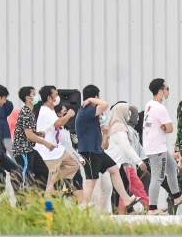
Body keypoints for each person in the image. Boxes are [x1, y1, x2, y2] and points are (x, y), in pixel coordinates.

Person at [75, 84, 141, 211]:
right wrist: (90, 100)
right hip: (89, 151)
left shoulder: (90, 113)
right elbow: (105, 104)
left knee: (114, 169)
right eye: (97, 97)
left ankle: (127, 199)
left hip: (97, 150)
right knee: (91, 180)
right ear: (95, 97)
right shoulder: (86, 111)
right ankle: (82, 209)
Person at [143, 79, 182, 214]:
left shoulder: (149, 104)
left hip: (155, 146)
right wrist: (165, 127)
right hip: (157, 148)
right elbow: (170, 128)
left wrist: (164, 127)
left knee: (171, 168)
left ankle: (176, 196)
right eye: (167, 88)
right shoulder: (160, 108)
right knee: (157, 177)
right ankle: (152, 208)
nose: (168, 91)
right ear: (161, 91)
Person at [33, 86, 79, 195]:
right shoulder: (45, 111)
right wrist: (69, 115)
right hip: (48, 153)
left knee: (73, 164)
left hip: (57, 150)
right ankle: (45, 206)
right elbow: (58, 123)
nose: (58, 97)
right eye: (56, 95)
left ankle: (53, 180)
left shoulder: (51, 111)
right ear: (49, 98)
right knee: (48, 188)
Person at [105, 103, 149, 213]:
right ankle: (117, 212)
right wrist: (139, 162)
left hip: (119, 163)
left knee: (123, 187)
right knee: (119, 189)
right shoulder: (119, 128)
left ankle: (122, 210)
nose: (128, 115)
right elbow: (127, 147)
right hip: (117, 163)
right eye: (126, 112)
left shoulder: (117, 126)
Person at [12, 86, 49, 190]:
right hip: (23, 151)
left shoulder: (30, 112)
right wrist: (45, 143)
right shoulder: (26, 112)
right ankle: (22, 203)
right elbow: (28, 134)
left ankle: (37, 197)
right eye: (33, 94)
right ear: (28, 98)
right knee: (25, 178)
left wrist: (37, 133)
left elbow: (27, 131)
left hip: (30, 149)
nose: (36, 96)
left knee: (43, 171)